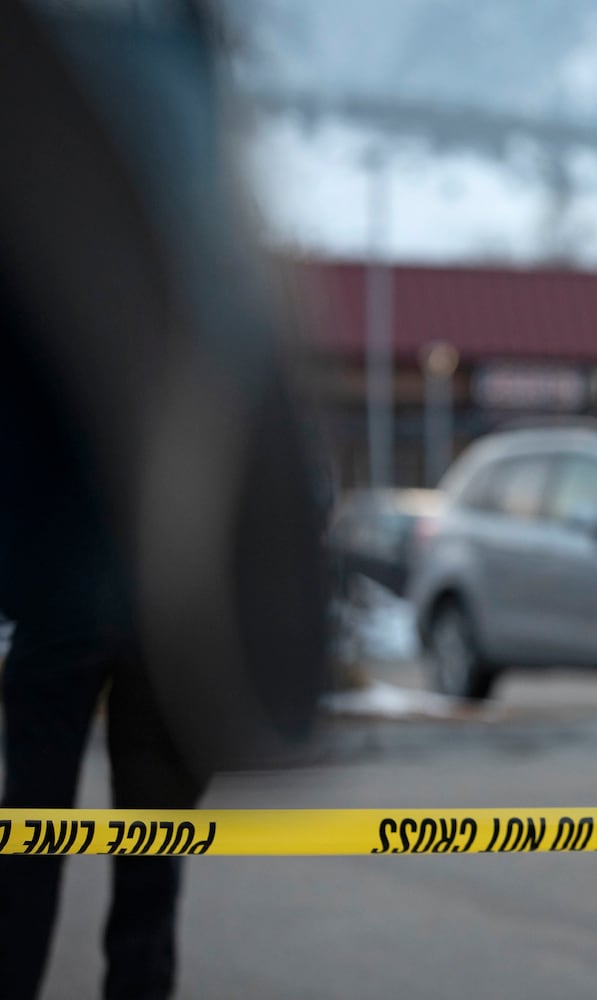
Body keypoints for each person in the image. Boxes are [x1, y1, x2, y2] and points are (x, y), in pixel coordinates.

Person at [0, 3, 329, 997]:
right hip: (77, 585)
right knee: (36, 841)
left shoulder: (177, 148)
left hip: (156, 597)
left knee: (146, 861)